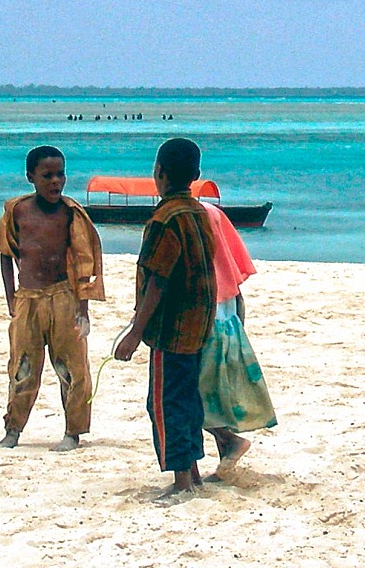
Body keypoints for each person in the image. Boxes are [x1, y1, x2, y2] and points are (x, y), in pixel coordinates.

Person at [113, 137, 218, 497]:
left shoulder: (164, 220)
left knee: (163, 403)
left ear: (158, 172)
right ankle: (194, 471)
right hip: (199, 325)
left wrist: (135, 331)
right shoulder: (200, 213)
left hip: (171, 330)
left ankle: (182, 480)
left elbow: (158, 279)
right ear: (196, 175)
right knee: (188, 400)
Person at [0, 145, 105, 451]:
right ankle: (13, 429)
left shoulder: (70, 214)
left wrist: (82, 309)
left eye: (60, 174)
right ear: (31, 177)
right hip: (28, 299)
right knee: (22, 368)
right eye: (47, 176)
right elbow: (6, 254)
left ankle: (73, 432)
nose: (56, 181)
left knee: (72, 368)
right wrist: (11, 299)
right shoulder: (16, 211)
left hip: (63, 297)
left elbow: (83, 262)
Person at [198, 194, 276, 468]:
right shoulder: (213, 214)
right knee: (217, 391)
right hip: (228, 322)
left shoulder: (198, 218)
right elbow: (239, 301)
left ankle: (228, 440)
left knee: (195, 391)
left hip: (206, 323)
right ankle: (225, 450)